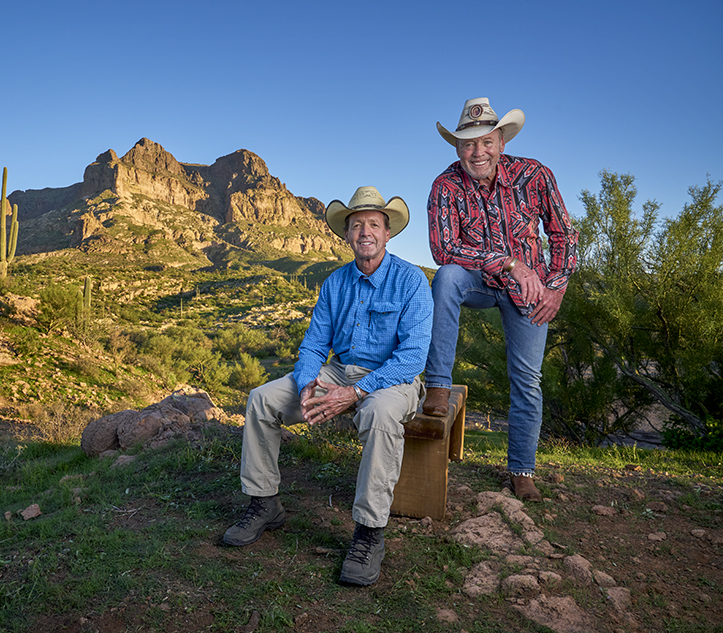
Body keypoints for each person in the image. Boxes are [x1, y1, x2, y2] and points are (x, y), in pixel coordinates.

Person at [222, 186, 433, 586]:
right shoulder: (335, 283)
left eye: (373, 224)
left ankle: (370, 533)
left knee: (382, 414)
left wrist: (354, 393)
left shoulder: (411, 282)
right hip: (337, 372)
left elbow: (411, 359)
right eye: (357, 225)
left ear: (387, 233)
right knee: (262, 400)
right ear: (347, 234)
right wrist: (306, 385)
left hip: (392, 377)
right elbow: (315, 344)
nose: (365, 231)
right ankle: (264, 502)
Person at [424, 97, 579, 502]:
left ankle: (522, 471)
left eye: (486, 142)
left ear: (501, 142)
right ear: (457, 149)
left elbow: (563, 235)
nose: (478, 152)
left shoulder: (535, 175)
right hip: (479, 280)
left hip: (531, 291)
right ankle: (437, 386)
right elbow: (444, 249)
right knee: (446, 278)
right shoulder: (445, 186)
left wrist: (556, 288)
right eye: (468, 144)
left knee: (527, 379)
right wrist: (509, 263)